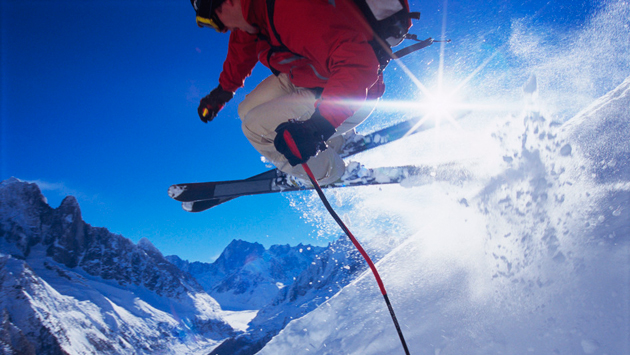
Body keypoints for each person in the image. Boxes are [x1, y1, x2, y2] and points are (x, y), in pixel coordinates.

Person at [191, 0, 385, 185]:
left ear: (227, 2)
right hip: (308, 79)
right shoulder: (252, 16)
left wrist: (320, 125)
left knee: (255, 128)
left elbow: (358, 62)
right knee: (246, 109)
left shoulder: (291, 9)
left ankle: (330, 173)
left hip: (352, 95)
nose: (221, 30)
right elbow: (240, 53)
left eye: (212, 22)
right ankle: (338, 140)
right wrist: (221, 92)